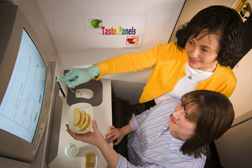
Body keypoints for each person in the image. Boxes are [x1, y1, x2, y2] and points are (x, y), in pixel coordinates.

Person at [57, 5, 243, 106]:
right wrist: (93, 70)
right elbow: (133, 61)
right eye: (191, 42)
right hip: (151, 107)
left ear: (223, 51)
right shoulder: (172, 51)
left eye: (204, 49)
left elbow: (209, 117)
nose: (192, 53)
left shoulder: (226, 82)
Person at [66, 90, 235, 168]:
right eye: (182, 105)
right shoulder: (172, 103)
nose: (176, 113)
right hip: (126, 144)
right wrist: (123, 131)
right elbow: (145, 116)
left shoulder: (184, 165)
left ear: (202, 133)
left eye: (187, 117)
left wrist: (101, 145)